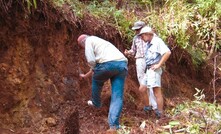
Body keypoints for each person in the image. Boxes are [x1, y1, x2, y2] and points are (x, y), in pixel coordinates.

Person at [77, 34, 128, 133]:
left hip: (108, 65)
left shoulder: (88, 41)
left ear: (82, 42)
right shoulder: (100, 42)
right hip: (122, 65)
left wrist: (95, 70)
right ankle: (114, 126)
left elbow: (92, 61)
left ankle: (96, 104)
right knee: (117, 96)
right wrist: (86, 76)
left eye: (81, 46)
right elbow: (96, 65)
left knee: (96, 80)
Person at [124, 21, 157, 111]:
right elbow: (133, 50)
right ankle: (148, 104)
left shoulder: (152, 36)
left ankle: (154, 105)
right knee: (142, 81)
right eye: (136, 30)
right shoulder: (136, 38)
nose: (136, 31)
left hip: (150, 60)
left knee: (151, 81)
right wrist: (128, 53)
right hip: (139, 59)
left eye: (138, 29)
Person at [139, 26, 171, 118]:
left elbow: (167, 52)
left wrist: (159, 64)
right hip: (149, 70)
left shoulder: (157, 41)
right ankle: (147, 108)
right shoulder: (149, 43)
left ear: (148, 35)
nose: (141, 38)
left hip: (154, 70)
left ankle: (160, 114)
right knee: (142, 88)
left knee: (156, 91)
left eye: (142, 36)